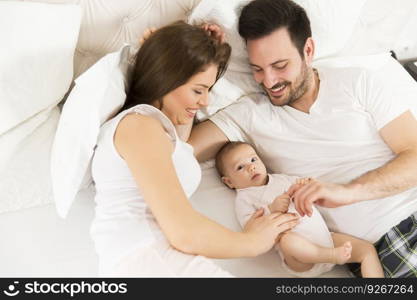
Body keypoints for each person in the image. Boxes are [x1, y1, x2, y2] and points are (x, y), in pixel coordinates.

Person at [189, 0, 417, 278]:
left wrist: (347, 192)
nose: (269, 81)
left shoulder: (358, 81)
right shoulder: (249, 116)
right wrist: (189, 63)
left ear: (308, 50)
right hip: (387, 247)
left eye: (280, 65)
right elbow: (174, 150)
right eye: (257, 69)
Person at [89, 20, 299, 277]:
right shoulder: (138, 127)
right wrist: (253, 242)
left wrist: (205, 48)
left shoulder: (163, 130)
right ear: (166, 79)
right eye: (199, 90)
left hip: (156, 259)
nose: (206, 100)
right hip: (146, 260)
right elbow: (183, 232)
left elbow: (182, 126)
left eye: (209, 89)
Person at [215, 141, 384, 277]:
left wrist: (304, 185)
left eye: (253, 160)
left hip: (326, 239)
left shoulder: (280, 179)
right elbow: (250, 230)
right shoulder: (244, 199)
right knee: (288, 241)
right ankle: (331, 256)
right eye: (240, 167)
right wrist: (271, 210)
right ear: (229, 182)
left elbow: (300, 185)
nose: (251, 167)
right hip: (300, 258)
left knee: (367, 251)